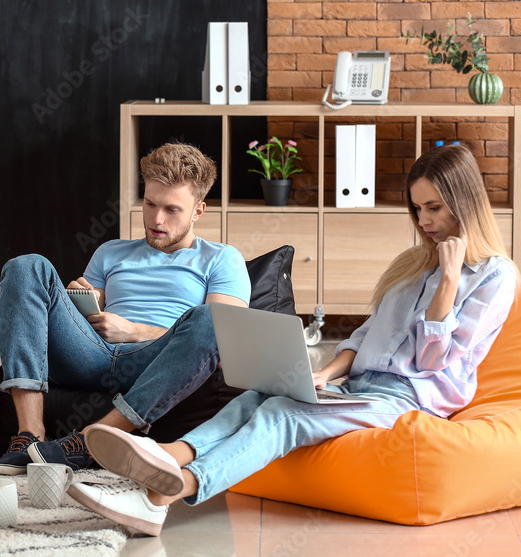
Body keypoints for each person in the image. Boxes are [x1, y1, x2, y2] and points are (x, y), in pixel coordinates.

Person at [70, 144, 519, 536]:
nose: (424, 221)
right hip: (357, 384)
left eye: (434, 208)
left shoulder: (496, 275)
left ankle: (169, 491)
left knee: (285, 416)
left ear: (464, 203)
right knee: (261, 394)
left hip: (408, 398)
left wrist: (450, 279)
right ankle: (168, 454)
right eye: (417, 209)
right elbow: (365, 336)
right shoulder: (412, 264)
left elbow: (433, 358)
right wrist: (323, 371)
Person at [0, 143, 252, 475]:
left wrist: (133, 330)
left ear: (198, 211)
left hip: (155, 360)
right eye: (150, 204)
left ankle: (90, 441)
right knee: (27, 266)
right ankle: (28, 436)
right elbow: (89, 308)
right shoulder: (110, 251)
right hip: (90, 351)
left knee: (214, 321)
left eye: (172, 210)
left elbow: (227, 339)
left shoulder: (221, 259)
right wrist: (77, 301)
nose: (156, 220)